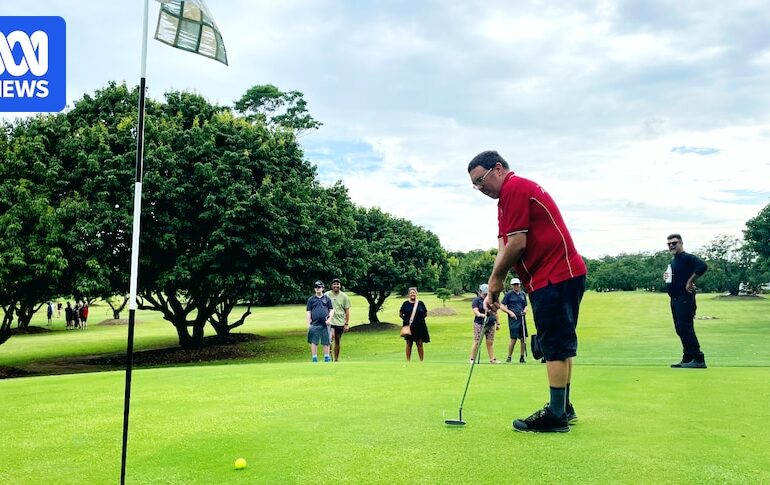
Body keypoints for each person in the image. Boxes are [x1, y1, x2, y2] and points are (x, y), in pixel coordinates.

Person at [469, 150, 587, 433]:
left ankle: (557, 415)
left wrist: (496, 280)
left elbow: (517, 243)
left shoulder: (515, 188)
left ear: (498, 169)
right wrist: (493, 289)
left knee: (555, 344)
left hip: (555, 275)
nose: (479, 188)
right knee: (559, 342)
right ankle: (564, 407)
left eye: (481, 180)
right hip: (555, 276)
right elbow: (503, 243)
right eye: (474, 185)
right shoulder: (505, 200)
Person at [664, 234, 708, 369]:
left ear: (681, 243)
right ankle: (688, 357)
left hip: (685, 298)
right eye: (669, 244)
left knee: (686, 328)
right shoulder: (674, 261)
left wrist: (690, 281)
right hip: (675, 298)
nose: (671, 245)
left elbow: (702, 266)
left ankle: (698, 358)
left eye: (674, 243)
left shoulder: (687, 257)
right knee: (680, 329)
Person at [470, 284, 499, 364]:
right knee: (477, 341)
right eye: (484, 294)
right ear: (480, 292)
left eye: (487, 294)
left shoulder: (491, 300)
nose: (486, 295)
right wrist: (480, 314)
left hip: (490, 323)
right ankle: (472, 359)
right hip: (479, 323)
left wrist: (498, 323)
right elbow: (475, 310)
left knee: (490, 342)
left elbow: (495, 312)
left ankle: (492, 359)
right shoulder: (477, 300)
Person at [501, 278, 528, 363]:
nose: (516, 286)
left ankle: (522, 357)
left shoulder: (523, 294)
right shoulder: (509, 294)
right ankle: (509, 357)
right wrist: (510, 312)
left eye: (517, 284)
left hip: (522, 318)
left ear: (519, 284)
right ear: (512, 285)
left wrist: (525, 311)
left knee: (523, 338)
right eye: (514, 285)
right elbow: (502, 306)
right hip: (513, 319)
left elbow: (526, 305)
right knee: (513, 338)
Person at [399, 287, 430, 361]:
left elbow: (425, 314)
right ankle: (408, 361)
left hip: (420, 327)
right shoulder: (405, 303)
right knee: (409, 344)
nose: (412, 294)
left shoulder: (420, 303)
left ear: (416, 294)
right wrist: (406, 320)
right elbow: (400, 314)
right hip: (409, 327)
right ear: (409, 294)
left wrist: (419, 320)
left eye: (414, 293)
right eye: (411, 293)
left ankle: (421, 361)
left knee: (420, 344)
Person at [306, 280, 334, 362]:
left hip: (325, 324)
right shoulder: (311, 300)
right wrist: (308, 323)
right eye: (316, 287)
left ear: (322, 288)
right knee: (314, 341)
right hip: (314, 323)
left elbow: (331, 310)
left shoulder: (327, 299)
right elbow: (308, 312)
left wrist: (329, 319)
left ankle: (326, 358)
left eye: (319, 287)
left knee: (326, 341)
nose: (317, 289)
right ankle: (314, 358)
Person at [326, 278, 351, 361]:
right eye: (334, 284)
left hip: (340, 322)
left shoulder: (344, 296)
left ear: (340, 286)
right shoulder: (327, 295)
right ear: (331, 285)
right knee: (331, 337)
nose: (336, 286)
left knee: (337, 340)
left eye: (337, 284)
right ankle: (329, 356)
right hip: (330, 320)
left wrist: (346, 323)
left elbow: (347, 310)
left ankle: (336, 359)